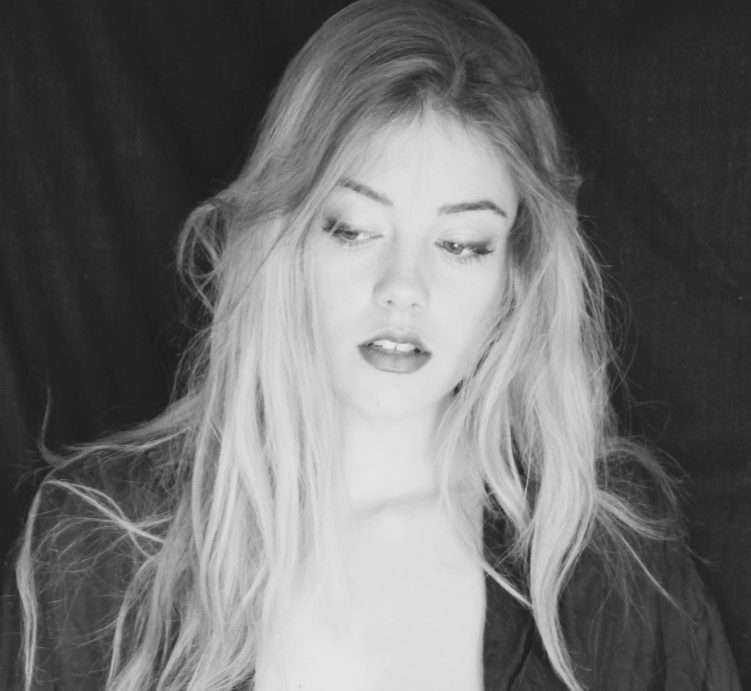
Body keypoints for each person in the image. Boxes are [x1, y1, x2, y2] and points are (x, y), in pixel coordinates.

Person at [2, 0, 740, 689]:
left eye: (460, 243)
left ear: (514, 279)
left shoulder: (605, 557)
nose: (402, 287)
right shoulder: (101, 544)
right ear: (282, 240)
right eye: (353, 230)